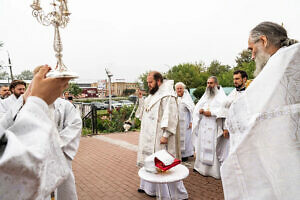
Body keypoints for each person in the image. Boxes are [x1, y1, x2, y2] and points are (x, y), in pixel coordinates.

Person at [221, 21, 300, 199]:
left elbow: (247, 111)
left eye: (251, 48)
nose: (252, 55)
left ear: (263, 40)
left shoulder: (280, 64)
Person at [0, 65, 72, 200]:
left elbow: (73, 125)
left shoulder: (64, 104)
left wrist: (60, 143)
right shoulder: (9, 104)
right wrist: (37, 103)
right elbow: (14, 162)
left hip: (57, 150)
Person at [136, 71, 188, 200]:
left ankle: (167, 193)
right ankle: (149, 187)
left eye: (150, 82)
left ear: (158, 81)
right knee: (150, 162)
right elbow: (143, 114)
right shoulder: (152, 96)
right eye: (147, 82)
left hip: (160, 137)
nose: (148, 85)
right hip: (148, 137)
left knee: (162, 164)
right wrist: (141, 99)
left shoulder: (168, 95)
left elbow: (171, 116)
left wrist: (166, 134)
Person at [192, 76, 227, 179]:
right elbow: (197, 108)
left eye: (211, 83)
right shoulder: (206, 96)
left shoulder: (222, 97)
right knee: (202, 145)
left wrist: (211, 113)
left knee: (213, 147)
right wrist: (200, 111)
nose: (209, 85)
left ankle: (214, 171)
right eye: (207, 83)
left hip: (214, 125)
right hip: (204, 126)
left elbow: (224, 111)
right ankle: (201, 168)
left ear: (216, 84)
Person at [217, 70, 248, 164]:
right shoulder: (232, 93)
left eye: (237, 79)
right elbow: (226, 111)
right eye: (234, 79)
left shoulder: (250, 92)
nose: (235, 81)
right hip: (233, 130)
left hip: (245, 128)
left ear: (244, 79)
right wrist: (225, 128)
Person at [175, 82, 195, 161]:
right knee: (177, 138)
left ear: (183, 89)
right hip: (176, 122)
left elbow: (192, 110)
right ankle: (178, 153)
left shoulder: (187, 98)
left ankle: (185, 155)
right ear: (175, 89)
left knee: (186, 139)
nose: (179, 90)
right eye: (178, 88)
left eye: (181, 88)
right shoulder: (174, 97)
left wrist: (191, 121)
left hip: (186, 122)